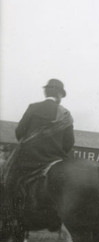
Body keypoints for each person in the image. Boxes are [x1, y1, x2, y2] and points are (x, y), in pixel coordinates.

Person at [3, 79, 75, 218]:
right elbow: (69, 142)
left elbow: (19, 132)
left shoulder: (33, 107)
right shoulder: (65, 114)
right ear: (59, 94)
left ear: (46, 92)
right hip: (55, 160)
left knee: (7, 178)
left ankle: (9, 214)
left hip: (28, 160)